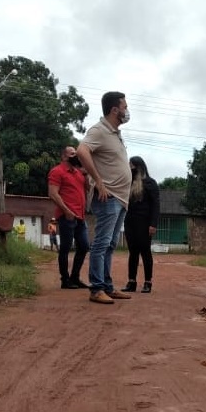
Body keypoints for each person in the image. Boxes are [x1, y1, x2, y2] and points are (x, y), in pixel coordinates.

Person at [76, 91, 133, 305]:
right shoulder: (99, 131)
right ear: (114, 110)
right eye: (125, 107)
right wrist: (98, 181)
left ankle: (107, 286)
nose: (127, 111)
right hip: (108, 197)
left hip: (120, 199)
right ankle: (97, 288)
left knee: (109, 245)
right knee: (101, 244)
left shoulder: (115, 133)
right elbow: (82, 151)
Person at [48, 146, 90, 290]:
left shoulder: (79, 173)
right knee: (65, 248)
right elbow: (53, 193)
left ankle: (75, 277)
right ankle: (65, 279)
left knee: (84, 246)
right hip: (67, 216)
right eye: (72, 154)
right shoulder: (57, 171)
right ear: (64, 157)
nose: (75, 156)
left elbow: (89, 188)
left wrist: (86, 171)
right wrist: (66, 211)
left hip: (80, 217)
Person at [121, 156, 160, 294]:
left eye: (131, 166)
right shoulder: (128, 183)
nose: (129, 168)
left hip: (145, 223)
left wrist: (153, 224)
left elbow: (156, 205)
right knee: (133, 252)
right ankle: (131, 282)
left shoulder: (150, 183)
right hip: (130, 221)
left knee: (145, 251)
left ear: (138, 167)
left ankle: (148, 282)